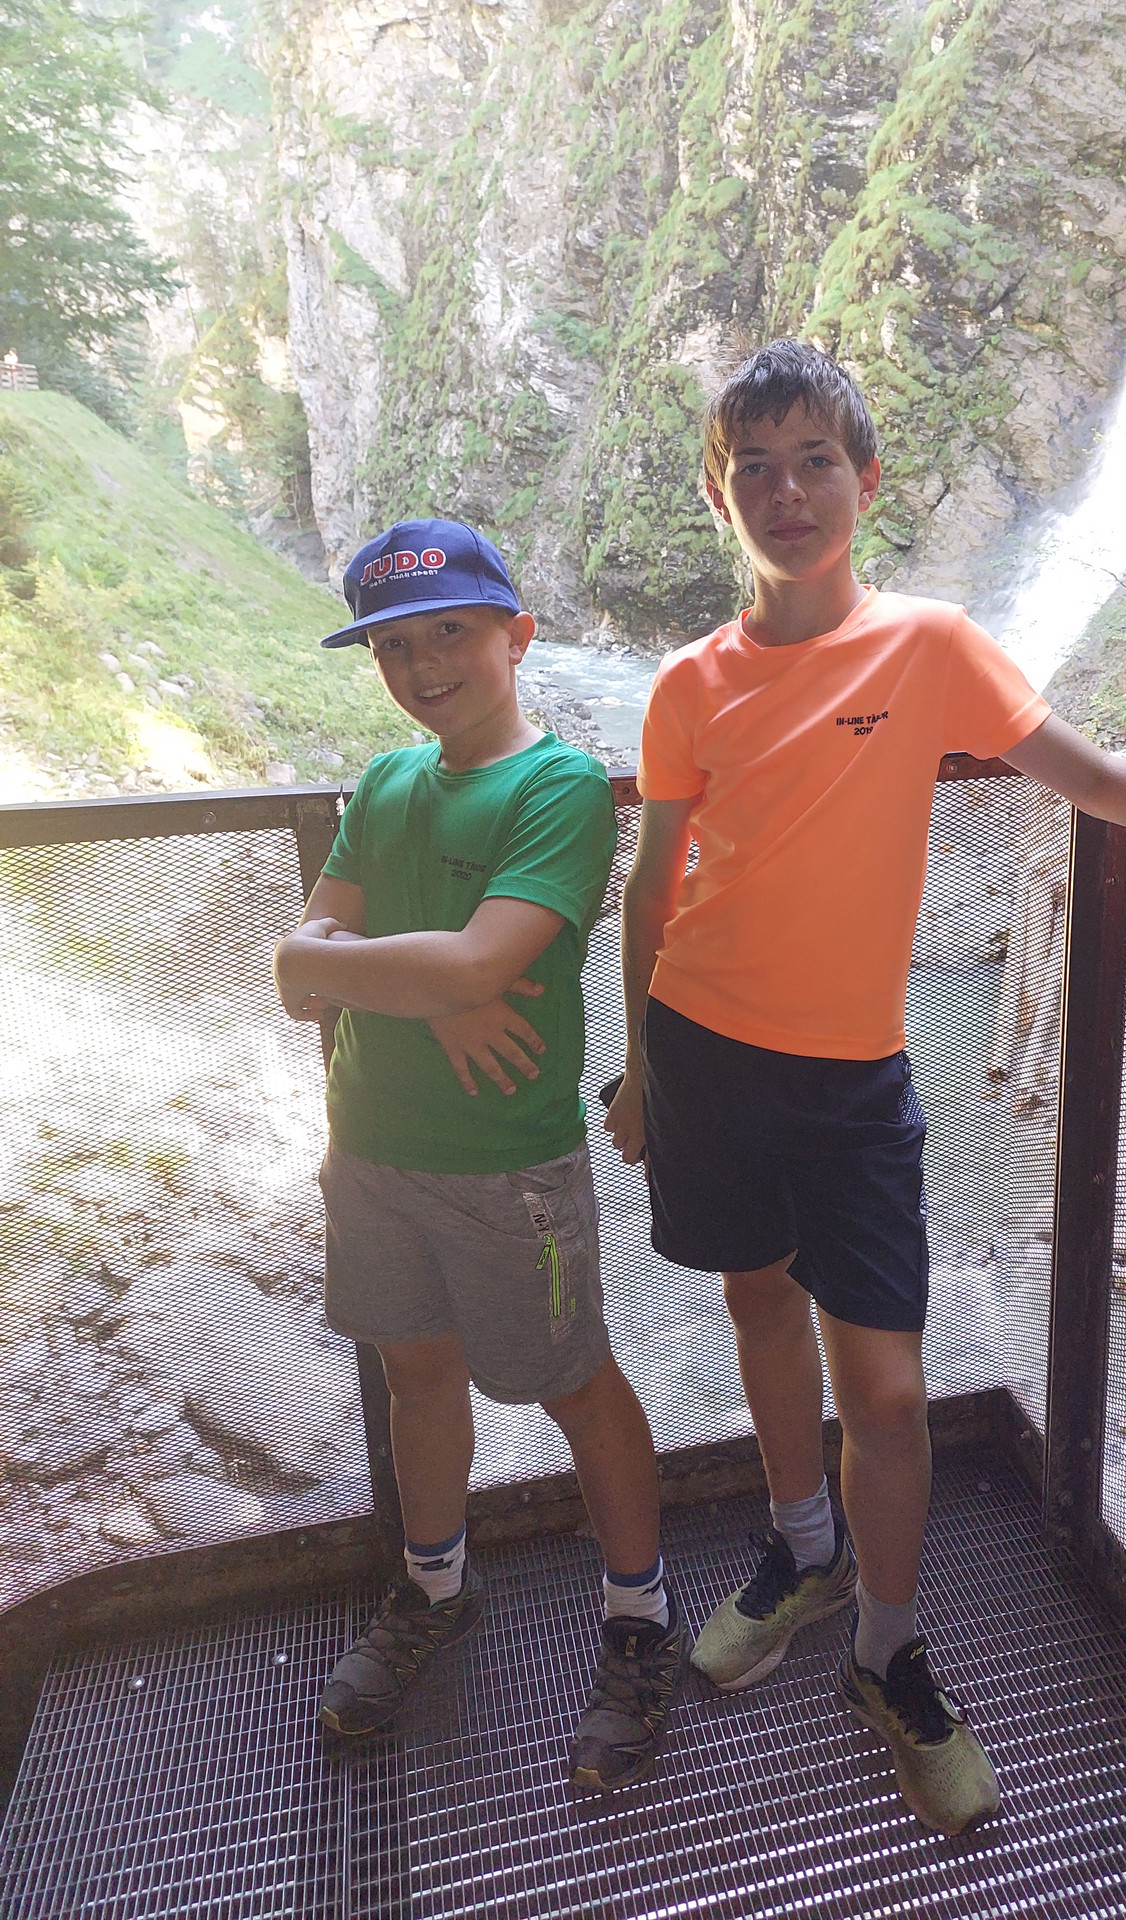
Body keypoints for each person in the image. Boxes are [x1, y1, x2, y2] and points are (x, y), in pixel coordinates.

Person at [604, 340, 1126, 1835]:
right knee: (756, 1300)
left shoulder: (930, 645)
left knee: (888, 1392)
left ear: (866, 481)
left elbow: (1092, 780)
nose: (786, 492)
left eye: (814, 461)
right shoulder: (686, 684)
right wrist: (639, 1069)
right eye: (754, 468)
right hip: (701, 1048)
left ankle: (885, 1651)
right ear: (719, 497)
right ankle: (801, 1548)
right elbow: (656, 888)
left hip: (850, 1079)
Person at [274, 518, 682, 1791]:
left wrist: (416, 976)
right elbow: (297, 973)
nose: (424, 664)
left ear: (518, 635)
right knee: (416, 1370)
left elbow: (466, 957)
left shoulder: (560, 788)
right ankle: (434, 1584)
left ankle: (640, 1615)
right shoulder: (385, 784)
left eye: (450, 630)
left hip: (509, 1168)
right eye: (395, 645)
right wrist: (436, 992)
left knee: (575, 1383)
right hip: (369, 1147)